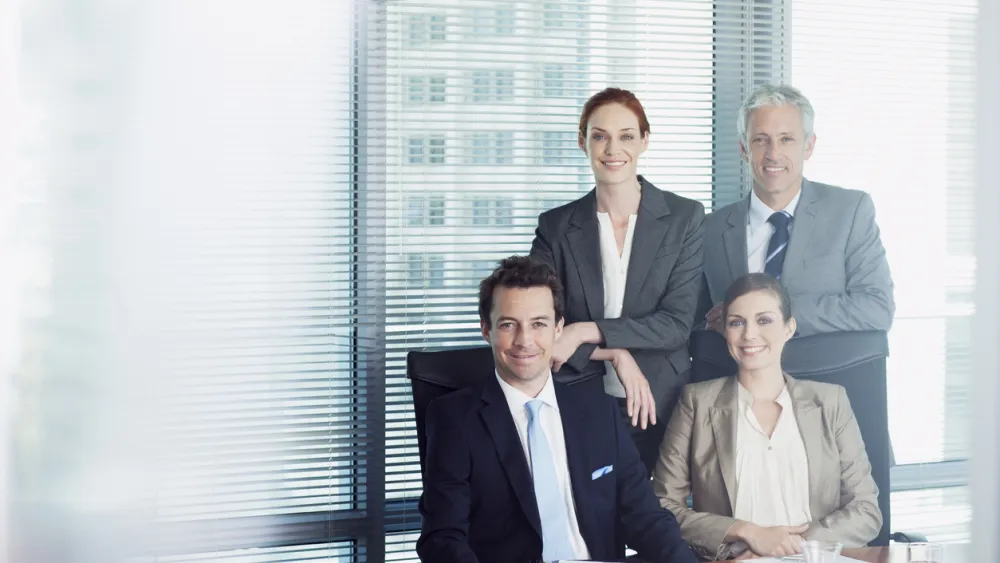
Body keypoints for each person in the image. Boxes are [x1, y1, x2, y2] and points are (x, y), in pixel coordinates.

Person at [416, 256, 698, 563]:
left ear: (558, 329)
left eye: (538, 324)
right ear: (487, 330)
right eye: (509, 324)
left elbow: (647, 519)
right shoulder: (454, 419)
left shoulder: (599, 413)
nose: (525, 341)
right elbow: (443, 539)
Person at [530, 87, 705, 473]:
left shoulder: (684, 218)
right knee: (594, 528)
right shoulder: (556, 227)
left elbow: (676, 325)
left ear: (644, 140)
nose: (613, 149)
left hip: (663, 405)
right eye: (599, 136)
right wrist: (614, 353)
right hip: (579, 398)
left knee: (658, 525)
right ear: (583, 142)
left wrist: (586, 329)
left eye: (626, 135)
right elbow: (541, 330)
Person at [652, 273, 882, 561]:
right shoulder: (697, 402)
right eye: (737, 322)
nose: (749, 334)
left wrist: (789, 546)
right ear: (724, 331)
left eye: (764, 320)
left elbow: (865, 510)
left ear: (789, 327)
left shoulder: (830, 401)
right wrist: (746, 532)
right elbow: (661, 506)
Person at [697, 84, 894, 336]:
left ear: (808, 146)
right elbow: (692, 322)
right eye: (760, 140)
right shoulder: (710, 229)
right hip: (735, 374)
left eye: (786, 139)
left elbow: (877, 308)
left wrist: (769, 314)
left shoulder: (850, 213)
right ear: (744, 149)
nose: (773, 154)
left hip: (825, 372)